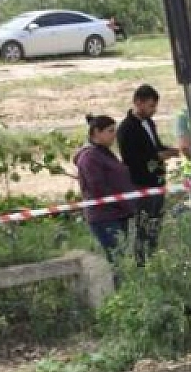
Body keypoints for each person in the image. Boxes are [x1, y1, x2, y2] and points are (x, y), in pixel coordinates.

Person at [117, 84, 179, 259]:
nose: (154, 110)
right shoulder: (127, 128)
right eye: (151, 106)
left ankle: (152, 253)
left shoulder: (149, 123)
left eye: (155, 106)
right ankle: (141, 258)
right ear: (138, 102)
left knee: (155, 221)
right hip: (141, 183)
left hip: (157, 180)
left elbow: (155, 146)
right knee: (143, 224)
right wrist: (158, 156)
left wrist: (171, 151)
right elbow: (132, 158)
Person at [76, 115, 139, 262]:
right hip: (104, 216)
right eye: (110, 131)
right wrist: (123, 202)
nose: (114, 135)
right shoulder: (90, 157)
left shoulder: (104, 153)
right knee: (118, 259)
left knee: (122, 258)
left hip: (118, 213)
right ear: (96, 132)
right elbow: (98, 188)